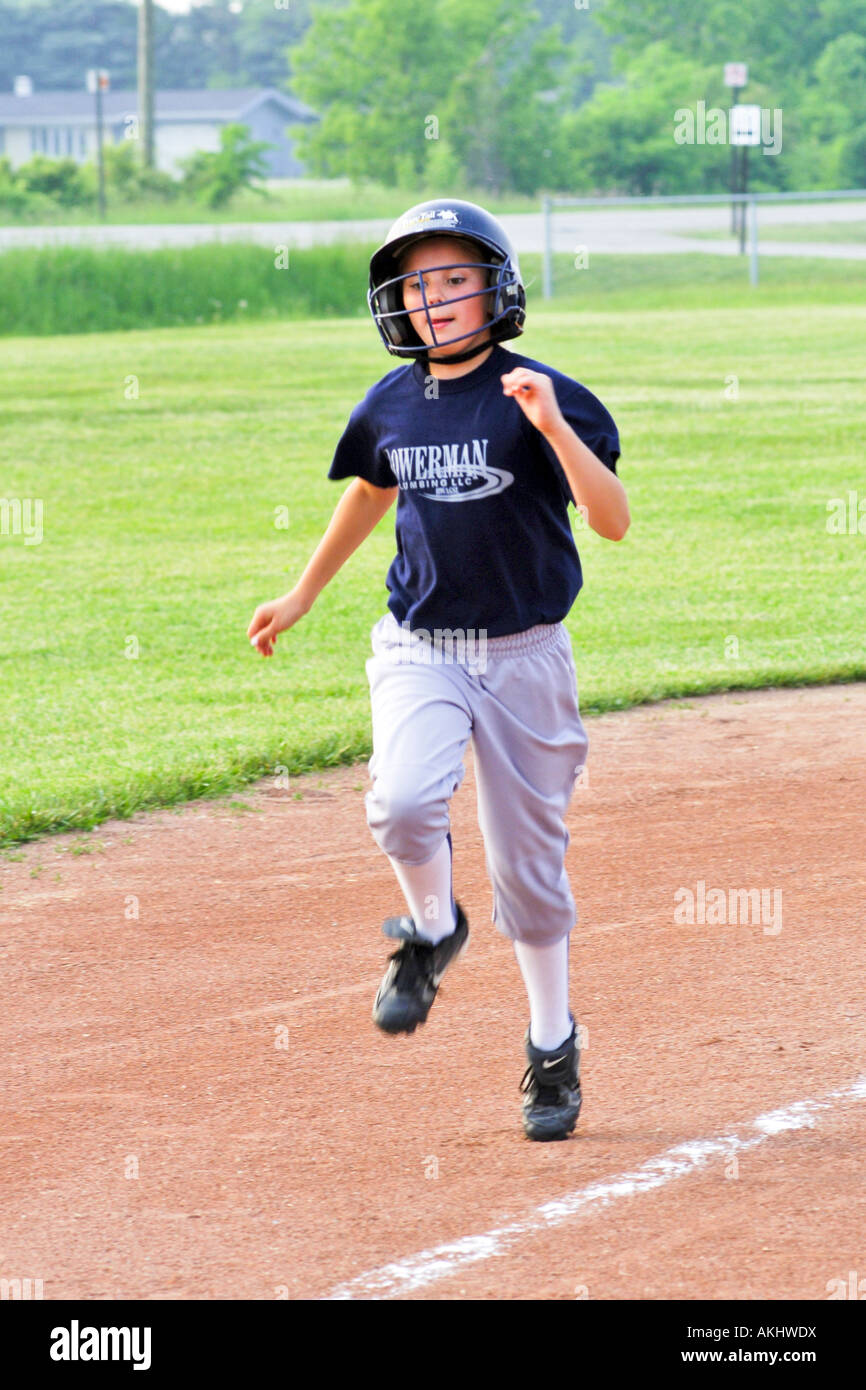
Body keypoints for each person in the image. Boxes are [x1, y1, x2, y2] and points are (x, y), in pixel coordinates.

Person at [247, 199, 629, 1140]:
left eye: (455, 278)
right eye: (418, 285)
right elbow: (374, 490)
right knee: (403, 803)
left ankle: (551, 1046)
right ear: (398, 304)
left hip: (526, 656)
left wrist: (551, 429)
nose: (437, 299)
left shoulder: (545, 391)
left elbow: (613, 520)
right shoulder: (389, 403)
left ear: (496, 288)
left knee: (530, 874)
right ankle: (430, 928)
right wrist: (302, 594)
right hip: (421, 646)